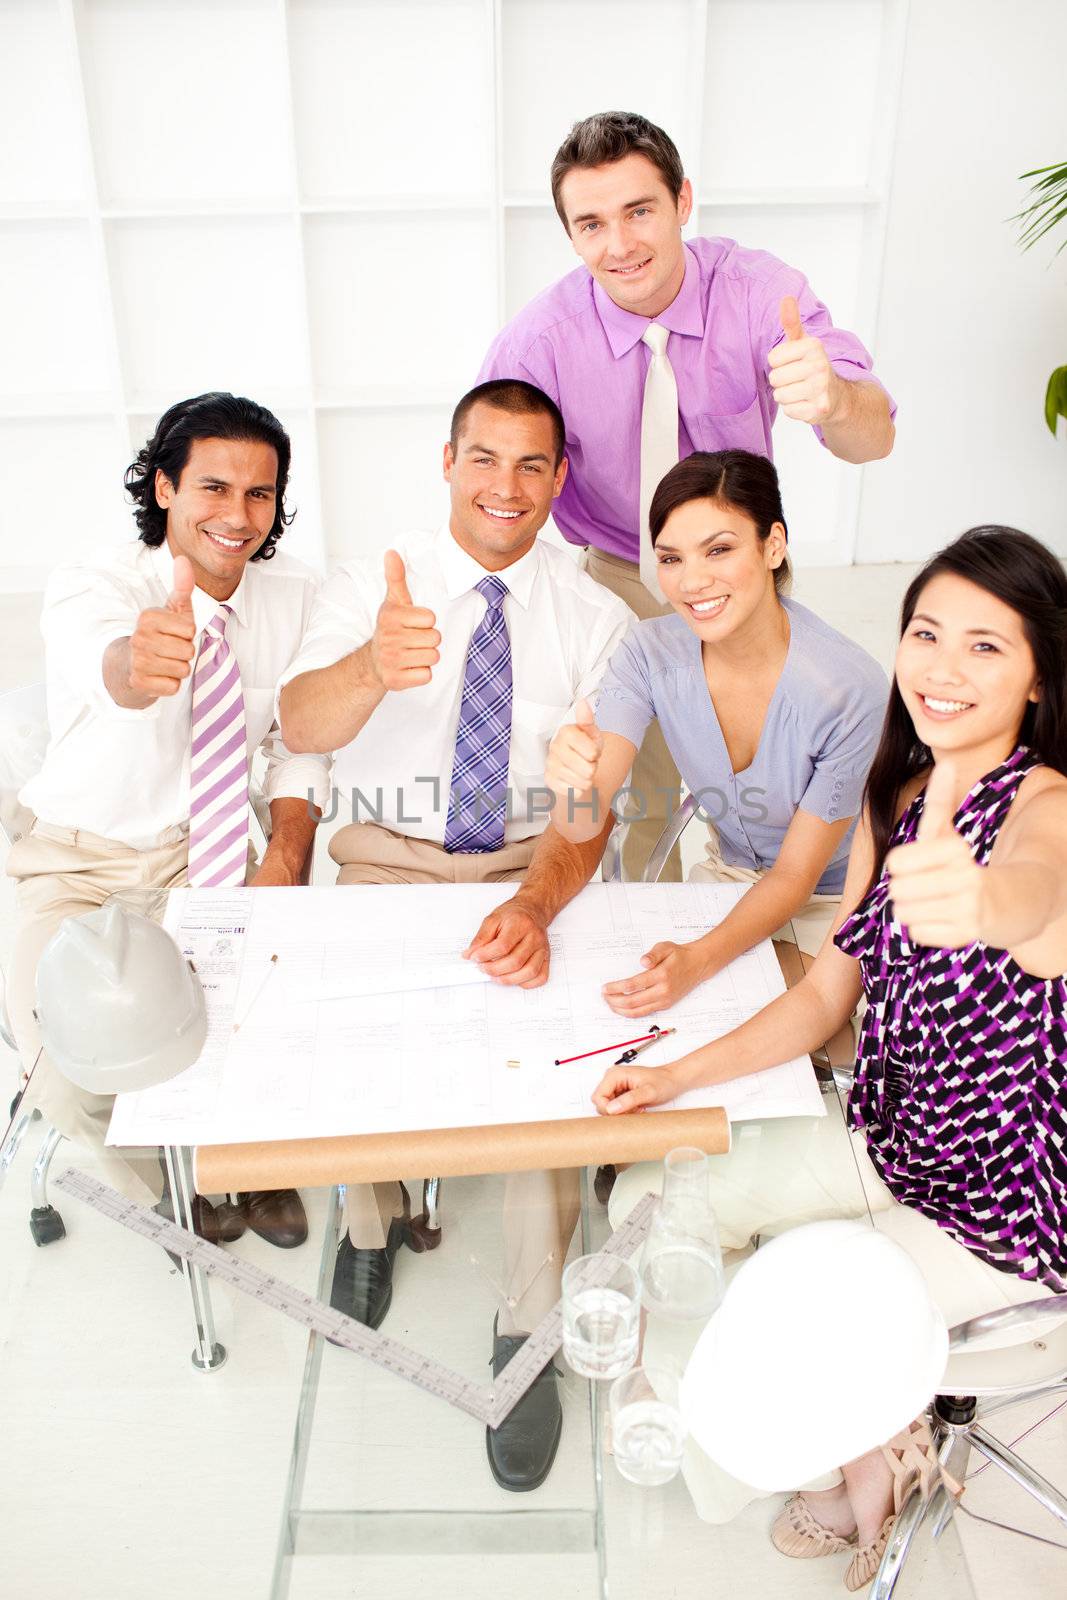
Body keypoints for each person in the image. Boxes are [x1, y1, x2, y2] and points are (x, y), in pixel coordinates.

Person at [595, 525, 1067, 1583]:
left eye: (985, 647)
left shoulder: (1049, 810)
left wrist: (986, 901)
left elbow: (1042, 904)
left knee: (770, 1296)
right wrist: (675, 1076)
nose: (941, 668)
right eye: (924, 633)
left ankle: (855, 1455)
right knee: (650, 1201)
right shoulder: (893, 792)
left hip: (1007, 1208)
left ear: (1039, 678)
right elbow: (822, 993)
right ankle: (849, 1438)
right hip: (891, 1139)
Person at [278, 378, 632, 1490]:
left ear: (559, 479)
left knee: (546, 1087)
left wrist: (534, 902)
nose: (506, 487)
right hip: (385, 857)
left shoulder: (596, 617)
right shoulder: (367, 587)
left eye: (532, 465)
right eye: (485, 459)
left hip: (530, 867)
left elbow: (589, 808)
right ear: (446, 462)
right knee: (348, 1044)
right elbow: (298, 725)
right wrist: (373, 666)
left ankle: (528, 1333)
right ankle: (372, 1225)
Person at [480, 110, 895, 880]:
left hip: (735, 564)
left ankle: (761, 888)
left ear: (682, 201)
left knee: (761, 768)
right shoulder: (538, 341)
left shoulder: (760, 294)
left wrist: (834, 398)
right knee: (632, 786)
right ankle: (643, 925)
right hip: (615, 568)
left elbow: (872, 436)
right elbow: (493, 479)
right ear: (570, 236)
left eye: (639, 211)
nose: (620, 244)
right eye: (592, 223)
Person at [8, 392, 330, 1251]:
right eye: (212, 488)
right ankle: (169, 1190)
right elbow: (109, 665)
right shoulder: (97, 585)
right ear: (163, 488)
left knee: (263, 1016)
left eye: (258, 494)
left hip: (210, 853)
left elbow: (296, 743)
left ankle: (249, 1168)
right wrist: (141, 661)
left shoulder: (295, 595)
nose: (235, 515)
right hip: (79, 865)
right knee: (70, 1074)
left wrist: (292, 847)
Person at [543, 449, 886, 1017]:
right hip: (726, 881)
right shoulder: (647, 655)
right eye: (671, 558)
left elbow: (797, 876)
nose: (692, 581)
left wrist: (699, 960)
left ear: (773, 544)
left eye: (719, 549)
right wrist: (571, 784)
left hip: (841, 899)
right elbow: (584, 821)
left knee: (801, 1026)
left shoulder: (849, 691)